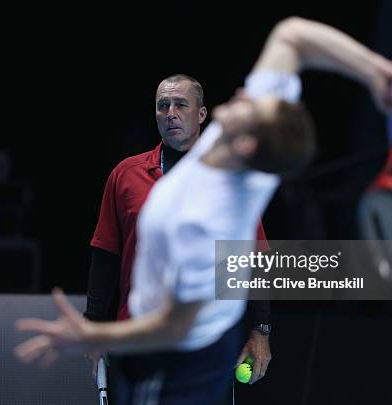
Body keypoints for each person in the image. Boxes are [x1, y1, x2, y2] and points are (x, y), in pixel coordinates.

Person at [15, 16, 392, 404]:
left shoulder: (201, 220)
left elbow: (174, 326)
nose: (244, 95)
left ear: (247, 145)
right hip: (194, 333)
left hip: (178, 362)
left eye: (250, 106)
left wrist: (90, 336)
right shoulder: (247, 136)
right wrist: (378, 72)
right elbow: (291, 35)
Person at [85, 73, 272, 385]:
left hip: (208, 340)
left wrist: (260, 330)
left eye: (180, 105)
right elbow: (105, 257)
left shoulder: (230, 180)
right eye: (163, 106)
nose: (170, 113)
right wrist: (93, 327)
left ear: (201, 114)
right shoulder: (125, 176)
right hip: (139, 338)